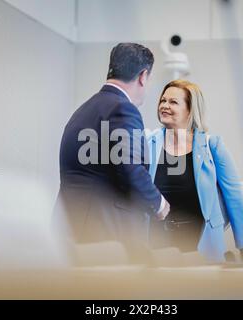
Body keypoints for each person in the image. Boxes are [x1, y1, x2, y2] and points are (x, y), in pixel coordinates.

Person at [58, 43, 170, 262]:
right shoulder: (123, 108)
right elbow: (130, 167)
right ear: (143, 76)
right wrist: (159, 203)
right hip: (104, 232)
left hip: (75, 226)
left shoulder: (84, 109)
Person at [146, 79, 243, 262]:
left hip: (200, 244)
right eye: (163, 100)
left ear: (190, 110)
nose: (164, 105)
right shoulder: (148, 143)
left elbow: (234, 197)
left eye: (173, 102)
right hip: (157, 245)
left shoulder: (213, 146)